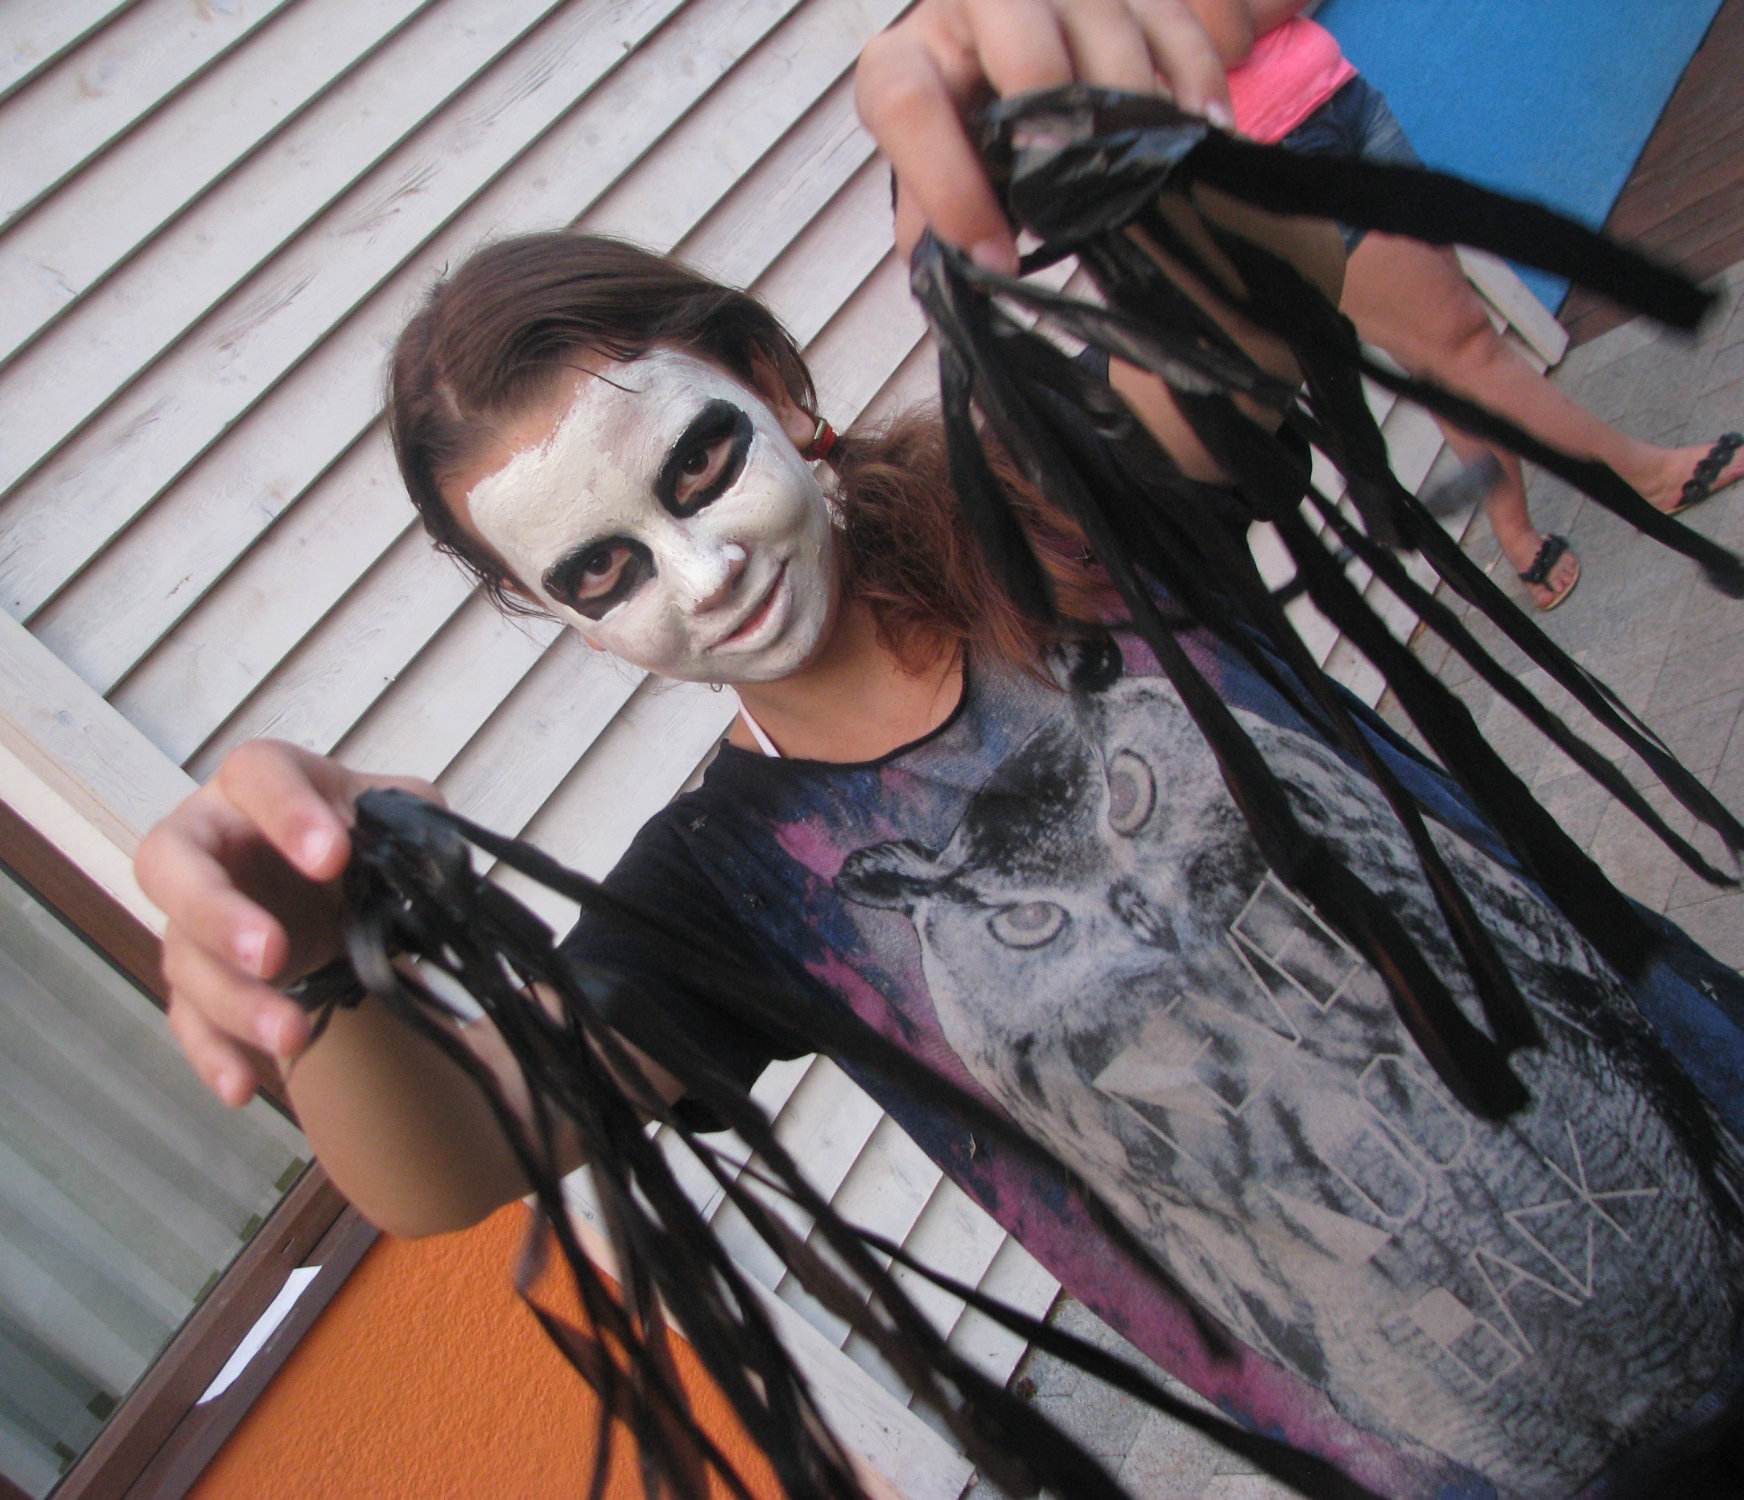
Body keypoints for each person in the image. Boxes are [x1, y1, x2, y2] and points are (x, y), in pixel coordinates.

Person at [135, 3, 1744, 1495]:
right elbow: (460, 1155)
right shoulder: (728, 894)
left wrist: (1082, 107)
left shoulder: (1067, 510)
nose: (704, 571)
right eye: (603, 571)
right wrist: (308, 961)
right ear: (551, 612)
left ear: (778, 387)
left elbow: (1250, 275)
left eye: (696, 468)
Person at [1183, 0, 1744, 610]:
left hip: (1339, 97)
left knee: (1448, 359)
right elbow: (1224, 36)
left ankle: (1514, 530)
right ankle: (1649, 477)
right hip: (1280, 166)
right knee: (1464, 346)